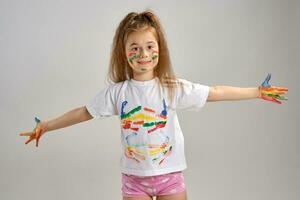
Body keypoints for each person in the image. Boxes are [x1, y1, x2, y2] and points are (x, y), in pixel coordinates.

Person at [19, 11, 288, 200]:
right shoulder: (118, 92)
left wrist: (257, 91)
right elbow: (84, 112)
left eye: (149, 46)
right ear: (123, 53)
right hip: (134, 179)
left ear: (159, 49)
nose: (144, 54)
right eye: (134, 47)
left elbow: (215, 92)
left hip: (170, 175)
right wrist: (47, 125)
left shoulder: (172, 88)